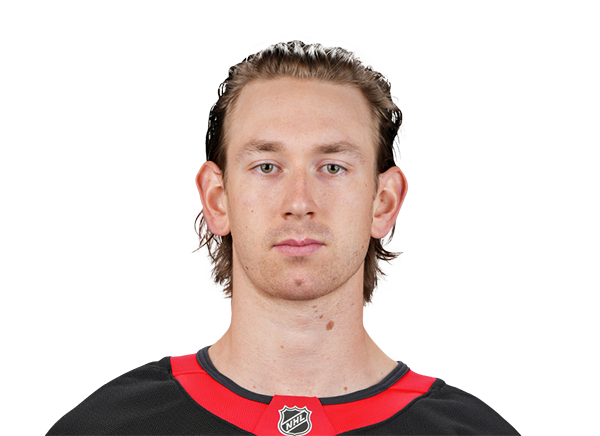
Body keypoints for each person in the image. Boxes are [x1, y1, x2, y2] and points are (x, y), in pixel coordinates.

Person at [47, 39, 519, 435]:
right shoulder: (106, 428)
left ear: (383, 202)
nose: (299, 201)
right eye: (267, 166)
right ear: (217, 199)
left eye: (332, 167)